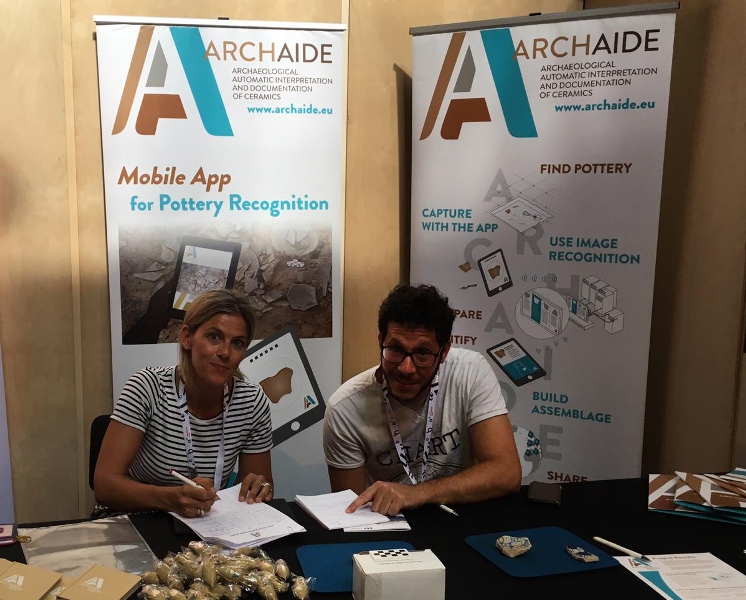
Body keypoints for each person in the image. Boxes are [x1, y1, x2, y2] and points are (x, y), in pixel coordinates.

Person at [323, 283, 521, 516]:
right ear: (380, 341)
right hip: (390, 523)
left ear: (444, 352)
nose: (406, 368)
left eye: (423, 353)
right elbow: (350, 513)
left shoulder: (470, 372)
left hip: (462, 516)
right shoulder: (344, 408)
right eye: (395, 349)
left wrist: (417, 493)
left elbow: (507, 473)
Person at [94, 290, 274, 518]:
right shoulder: (147, 387)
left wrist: (260, 488)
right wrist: (172, 499)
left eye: (237, 343)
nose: (225, 352)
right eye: (214, 337)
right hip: (141, 519)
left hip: (207, 523)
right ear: (187, 338)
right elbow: (105, 486)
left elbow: (257, 490)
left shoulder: (252, 401)